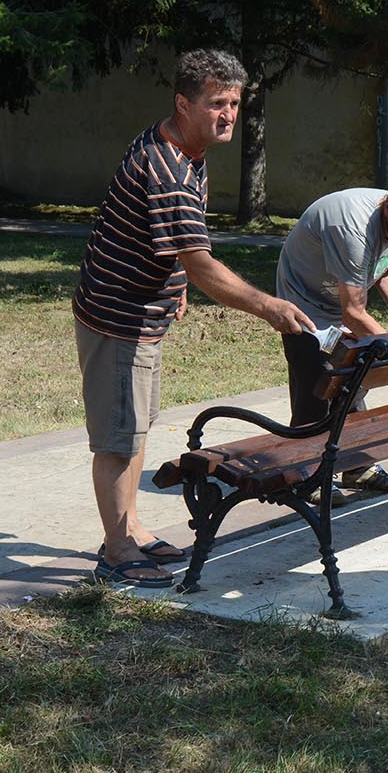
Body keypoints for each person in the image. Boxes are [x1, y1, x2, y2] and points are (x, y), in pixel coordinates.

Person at [73, 48, 315, 588]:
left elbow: (163, 244)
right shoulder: (169, 172)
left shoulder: (186, 149)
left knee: (135, 429)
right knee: (117, 439)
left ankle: (129, 527)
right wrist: (268, 306)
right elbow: (202, 263)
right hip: (118, 317)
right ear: (183, 103)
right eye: (216, 104)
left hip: (142, 311)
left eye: (234, 103)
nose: (228, 114)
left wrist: (174, 285)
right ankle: (115, 554)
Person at [275, 177, 388, 493]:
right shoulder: (352, 227)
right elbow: (354, 312)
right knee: (317, 381)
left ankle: (357, 467)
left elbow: (387, 267)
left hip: (337, 300)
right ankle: (304, 473)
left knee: (354, 375)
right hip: (302, 301)